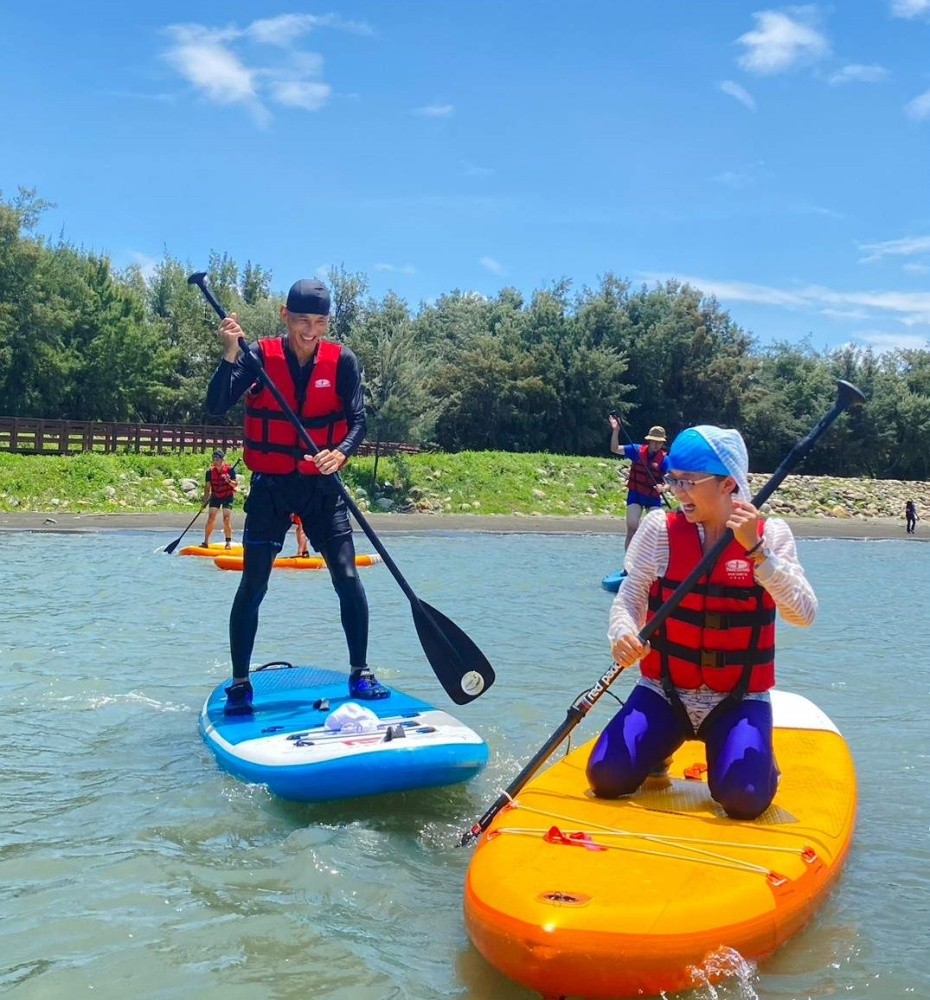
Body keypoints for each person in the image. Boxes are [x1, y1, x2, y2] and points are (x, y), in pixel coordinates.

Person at [586, 425, 818, 820]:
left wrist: (758, 552)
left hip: (738, 698)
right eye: (673, 479)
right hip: (664, 692)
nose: (677, 491)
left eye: (688, 482)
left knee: (743, 800)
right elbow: (630, 596)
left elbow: (804, 613)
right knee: (605, 776)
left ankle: (761, 761)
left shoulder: (771, 535)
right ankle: (659, 751)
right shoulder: (659, 530)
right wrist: (622, 633)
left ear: (728, 484)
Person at [205, 278, 385, 716]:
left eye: (319, 322)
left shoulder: (342, 361)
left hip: (322, 487)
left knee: (347, 576)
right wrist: (229, 353)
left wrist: (340, 453)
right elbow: (216, 404)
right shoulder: (257, 357)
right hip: (271, 487)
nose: (310, 330)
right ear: (285, 315)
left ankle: (360, 671)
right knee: (254, 583)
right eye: (302, 320)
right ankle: (241, 682)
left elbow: (358, 421)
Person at [608, 415, 670, 554]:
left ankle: (650, 560)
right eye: (654, 441)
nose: (656, 445)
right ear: (649, 440)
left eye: (659, 442)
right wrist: (616, 431)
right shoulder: (636, 450)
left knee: (656, 531)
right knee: (632, 527)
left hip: (653, 497)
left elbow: (671, 481)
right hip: (636, 494)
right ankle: (628, 561)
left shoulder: (665, 460)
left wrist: (664, 488)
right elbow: (615, 448)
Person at [201, 450, 238, 548]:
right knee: (211, 518)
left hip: (227, 496)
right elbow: (207, 488)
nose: (215, 460)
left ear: (222, 459)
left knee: (226, 519)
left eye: (217, 458)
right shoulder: (209, 472)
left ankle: (228, 542)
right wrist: (204, 502)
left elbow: (235, 484)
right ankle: (206, 542)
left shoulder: (230, 470)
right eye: (214, 458)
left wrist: (228, 480)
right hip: (215, 496)